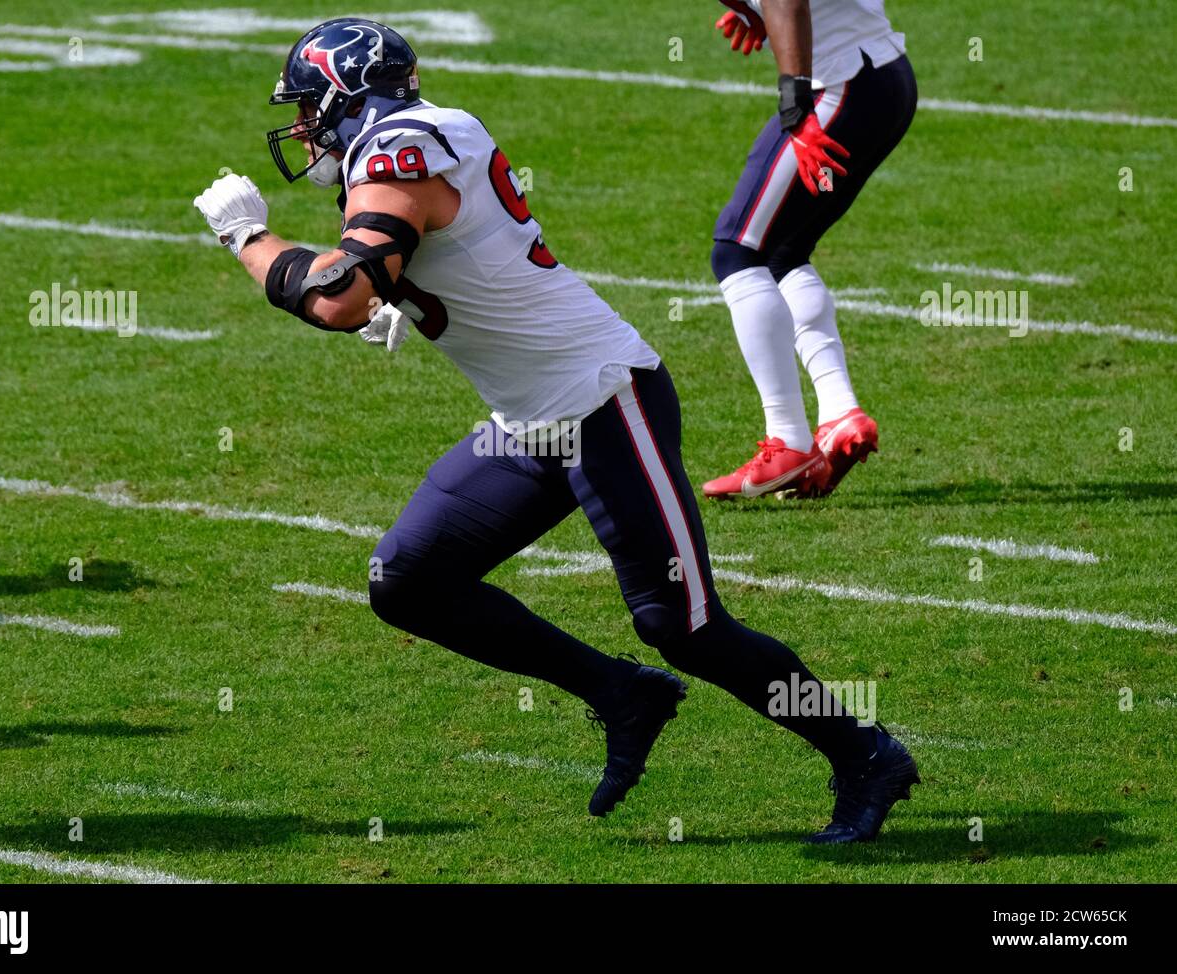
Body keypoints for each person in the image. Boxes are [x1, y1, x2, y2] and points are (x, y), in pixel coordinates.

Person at [193, 17, 918, 842]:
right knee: (410, 579)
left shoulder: (399, 153)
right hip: (534, 420)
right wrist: (397, 288)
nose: (300, 129)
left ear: (343, 95)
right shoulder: (414, 141)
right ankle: (622, 693)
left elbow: (335, 298)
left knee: (683, 624)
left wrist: (248, 238)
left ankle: (866, 755)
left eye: (307, 108)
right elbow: (417, 260)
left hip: (605, 399)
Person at [702, 0, 917, 499]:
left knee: (737, 252)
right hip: (883, 78)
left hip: (837, 89)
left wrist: (794, 105)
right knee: (783, 253)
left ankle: (789, 443)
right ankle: (840, 413)